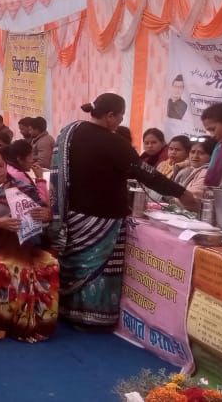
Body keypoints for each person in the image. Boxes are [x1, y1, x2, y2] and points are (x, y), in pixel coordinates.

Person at [52, 93, 193, 329]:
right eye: (120, 117)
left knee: (75, 265)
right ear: (110, 116)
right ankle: (92, 318)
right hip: (103, 218)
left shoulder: (69, 132)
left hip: (73, 215)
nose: (120, 122)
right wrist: (182, 193)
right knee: (100, 269)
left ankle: (68, 310)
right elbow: (147, 174)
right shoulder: (115, 143)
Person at [0, 147, 58, 342]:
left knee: (50, 264)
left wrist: (45, 215)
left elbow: (39, 214)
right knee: (0, 265)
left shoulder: (21, 188)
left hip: (20, 241)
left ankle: (37, 322)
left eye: (1, 165)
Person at [170, 137, 216, 210]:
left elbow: (191, 199)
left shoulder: (207, 173)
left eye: (201, 153)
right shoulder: (190, 169)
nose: (195, 156)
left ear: (212, 156)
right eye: (192, 152)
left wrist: (168, 198)